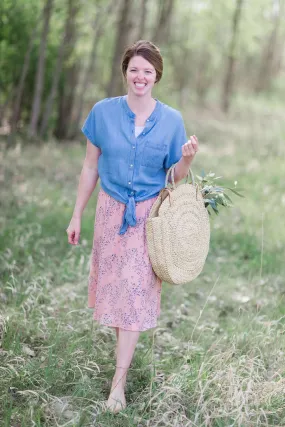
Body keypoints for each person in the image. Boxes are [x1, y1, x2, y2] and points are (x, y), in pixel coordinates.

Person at [66, 40, 199, 413]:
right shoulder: (103, 113)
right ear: (125, 71)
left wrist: (186, 161)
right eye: (134, 69)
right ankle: (121, 360)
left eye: (148, 71)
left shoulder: (171, 120)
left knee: (136, 295)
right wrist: (76, 214)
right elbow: (90, 166)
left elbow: (172, 176)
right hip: (109, 214)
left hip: (147, 219)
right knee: (115, 294)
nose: (140, 77)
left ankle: (118, 384)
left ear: (157, 76)